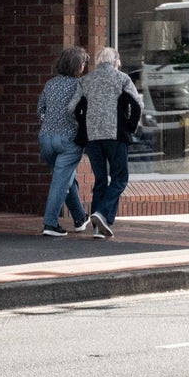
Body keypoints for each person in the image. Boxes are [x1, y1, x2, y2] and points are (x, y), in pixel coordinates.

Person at [69, 45, 144, 238]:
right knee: (120, 178)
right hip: (116, 135)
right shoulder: (122, 79)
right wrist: (130, 126)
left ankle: (99, 228)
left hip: (93, 137)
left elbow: (72, 108)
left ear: (98, 61)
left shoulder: (86, 80)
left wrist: (84, 123)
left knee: (100, 180)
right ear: (116, 61)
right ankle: (102, 214)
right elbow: (137, 104)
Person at [36, 46, 91, 237]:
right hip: (69, 139)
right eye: (83, 63)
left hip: (46, 138)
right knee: (60, 182)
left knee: (66, 178)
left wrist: (50, 125)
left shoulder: (50, 84)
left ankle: (80, 217)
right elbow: (84, 112)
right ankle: (50, 224)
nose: (84, 66)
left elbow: (40, 110)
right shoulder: (81, 85)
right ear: (77, 65)